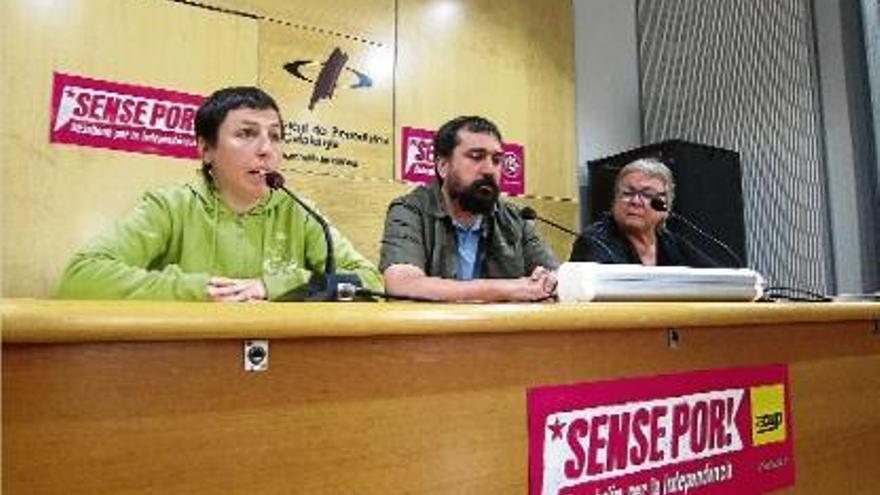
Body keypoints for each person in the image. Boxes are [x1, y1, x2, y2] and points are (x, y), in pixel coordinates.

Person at [57, 86, 382, 301]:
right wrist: (200, 289)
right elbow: (82, 276)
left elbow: (369, 279)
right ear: (206, 148)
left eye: (275, 136)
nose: (267, 150)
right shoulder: (171, 206)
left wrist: (274, 286)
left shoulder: (299, 212)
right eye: (246, 134)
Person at [379, 115, 558, 302]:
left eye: (497, 160)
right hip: (433, 329)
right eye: (476, 157)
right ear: (443, 166)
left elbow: (555, 276)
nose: (489, 170)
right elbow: (402, 285)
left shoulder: (515, 218)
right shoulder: (410, 210)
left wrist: (549, 282)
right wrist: (508, 289)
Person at [569, 158, 717, 267]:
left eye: (647, 195)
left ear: (664, 206)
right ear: (615, 200)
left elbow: (715, 278)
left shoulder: (671, 243)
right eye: (627, 193)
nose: (635, 201)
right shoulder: (594, 241)